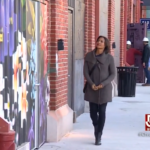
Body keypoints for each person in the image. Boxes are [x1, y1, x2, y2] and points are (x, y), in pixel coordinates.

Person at [83, 36, 115, 145]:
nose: (99, 43)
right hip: (92, 89)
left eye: (102, 41)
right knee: (92, 112)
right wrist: (91, 84)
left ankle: (99, 134)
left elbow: (113, 74)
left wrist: (103, 84)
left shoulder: (109, 58)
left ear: (105, 44)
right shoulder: (89, 56)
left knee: (101, 111)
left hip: (104, 89)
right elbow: (86, 72)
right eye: (98, 41)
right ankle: (96, 127)